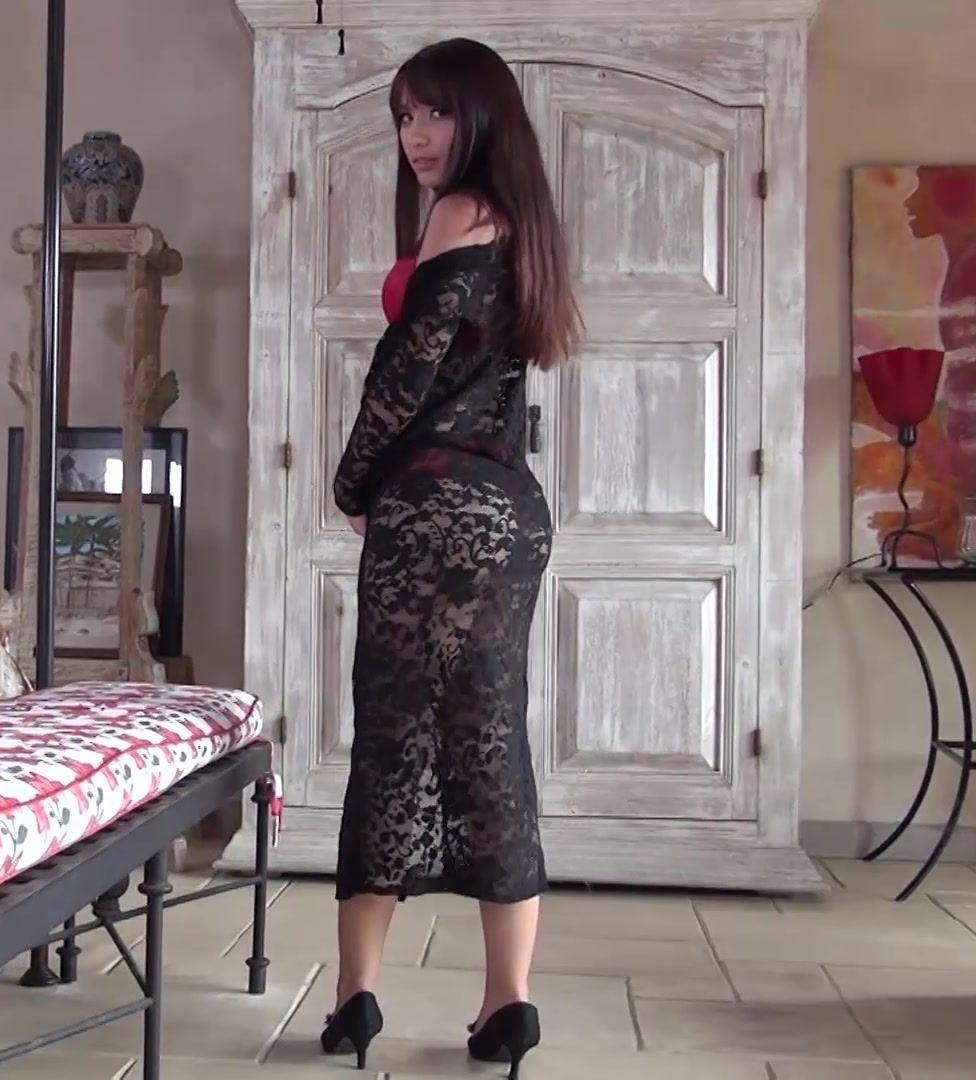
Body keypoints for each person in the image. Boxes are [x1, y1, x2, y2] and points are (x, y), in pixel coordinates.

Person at [310, 36, 580, 1078]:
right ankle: (509, 1003)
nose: (416, 135)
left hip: (433, 510)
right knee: (488, 739)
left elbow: (405, 372)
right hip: (511, 511)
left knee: (394, 739)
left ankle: (356, 996)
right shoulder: (523, 224)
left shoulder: (460, 211)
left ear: (482, 115)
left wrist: (351, 484)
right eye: (403, 117)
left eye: (434, 112)